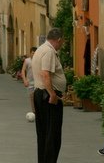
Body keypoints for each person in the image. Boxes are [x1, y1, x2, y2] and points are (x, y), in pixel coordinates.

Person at [32, 28, 67, 163]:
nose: (62, 44)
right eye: (62, 41)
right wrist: (52, 94)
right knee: (52, 135)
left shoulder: (41, 49)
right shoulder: (49, 51)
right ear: (58, 40)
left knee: (43, 134)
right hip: (47, 96)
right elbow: (45, 74)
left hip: (41, 94)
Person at [21, 46, 38, 113]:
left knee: (37, 97)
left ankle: (38, 111)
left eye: (35, 53)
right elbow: (23, 70)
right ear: (30, 53)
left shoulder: (39, 60)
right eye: (33, 53)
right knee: (32, 97)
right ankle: (34, 111)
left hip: (37, 82)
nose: (34, 54)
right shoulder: (27, 60)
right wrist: (25, 80)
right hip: (30, 82)